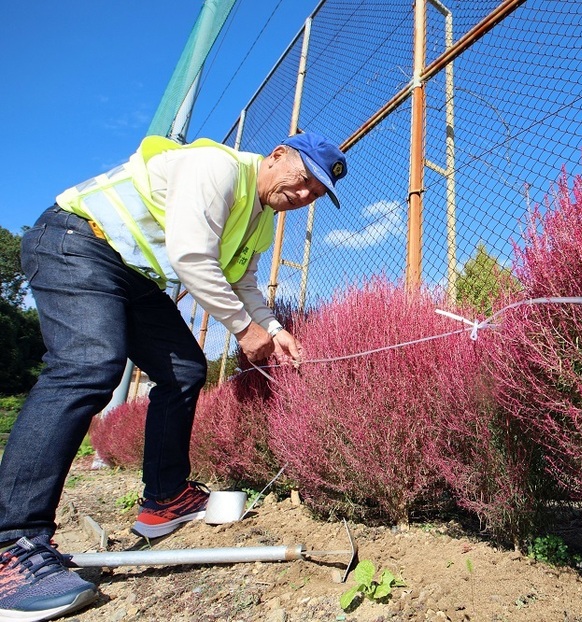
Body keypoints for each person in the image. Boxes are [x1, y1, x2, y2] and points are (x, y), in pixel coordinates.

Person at [0, 130, 347, 621]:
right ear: (278, 155)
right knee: (89, 365)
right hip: (76, 239)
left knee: (184, 369)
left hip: (128, 270)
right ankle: (12, 543)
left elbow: (240, 279)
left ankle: (165, 499)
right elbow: (190, 255)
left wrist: (272, 327)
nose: (307, 193)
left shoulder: (262, 220)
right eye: (306, 178)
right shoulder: (217, 168)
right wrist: (247, 332)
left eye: (317, 193)